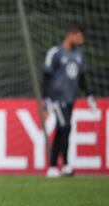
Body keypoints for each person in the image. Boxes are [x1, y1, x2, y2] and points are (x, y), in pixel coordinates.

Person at [43, 26, 96, 178]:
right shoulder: (56, 52)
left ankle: (61, 165)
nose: (81, 41)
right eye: (79, 38)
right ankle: (55, 165)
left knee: (64, 130)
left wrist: (89, 95)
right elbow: (46, 76)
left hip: (70, 99)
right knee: (64, 127)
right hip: (56, 99)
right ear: (71, 35)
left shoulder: (79, 55)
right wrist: (45, 99)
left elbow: (82, 78)